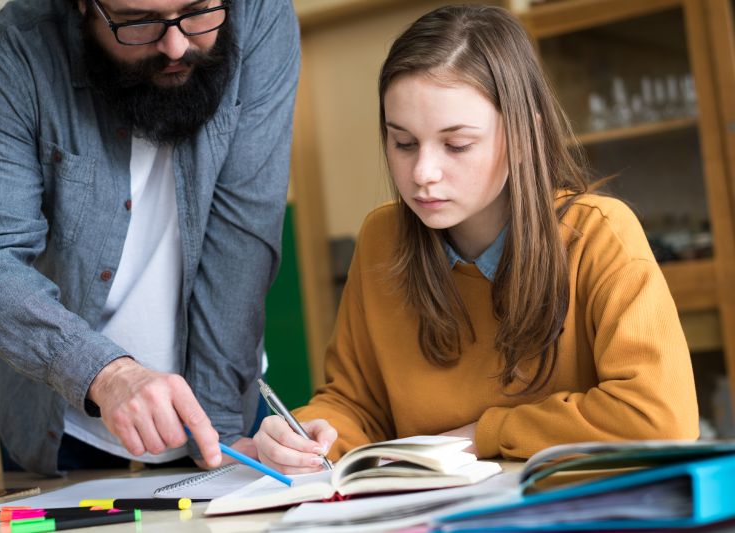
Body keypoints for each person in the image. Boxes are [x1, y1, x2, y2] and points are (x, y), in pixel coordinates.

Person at [253, 3, 699, 474]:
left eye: (457, 144)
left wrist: (483, 434)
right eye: (402, 143)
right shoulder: (381, 239)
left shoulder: (599, 234)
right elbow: (356, 405)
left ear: (525, 136)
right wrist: (308, 432)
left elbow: (660, 417)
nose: (422, 173)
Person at [0, 0, 300, 475]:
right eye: (138, 22)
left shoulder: (261, 14)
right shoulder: (11, 53)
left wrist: (214, 428)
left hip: (224, 411)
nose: (175, 45)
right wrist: (108, 375)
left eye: (197, 12)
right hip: (64, 427)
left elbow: (243, 235)